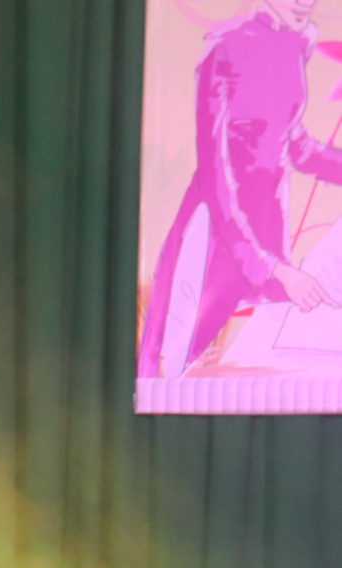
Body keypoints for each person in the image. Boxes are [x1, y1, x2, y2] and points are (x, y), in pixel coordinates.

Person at [139, 0, 342, 378]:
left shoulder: (296, 42)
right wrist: (275, 269)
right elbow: (215, 176)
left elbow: (294, 143)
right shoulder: (226, 46)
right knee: (177, 372)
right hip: (216, 239)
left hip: (267, 237)